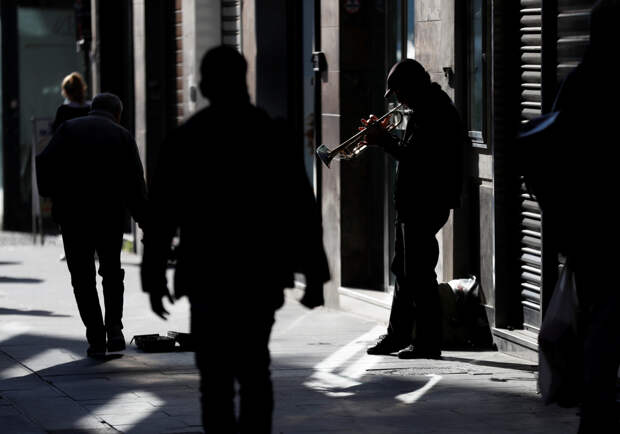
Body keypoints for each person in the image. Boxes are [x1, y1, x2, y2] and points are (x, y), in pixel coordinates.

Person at [141, 46, 329, 433]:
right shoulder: (272, 134)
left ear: (207, 84)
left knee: (215, 382)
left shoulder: (186, 139)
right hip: (258, 274)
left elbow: (161, 217)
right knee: (255, 370)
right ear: (243, 79)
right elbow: (301, 209)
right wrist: (313, 274)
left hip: (207, 276)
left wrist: (154, 276)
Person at [527, 1, 619, 432]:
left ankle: (596, 410)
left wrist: (564, 222)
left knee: (600, 321)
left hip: (589, 231)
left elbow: (548, 152)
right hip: (604, 227)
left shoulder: (579, 82)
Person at [363, 59, 466, 359]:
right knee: (405, 272)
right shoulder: (424, 107)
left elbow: (419, 160)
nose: (397, 100)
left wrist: (384, 140)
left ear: (412, 86)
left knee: (419, 274)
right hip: (411, 203)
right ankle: (398, 335)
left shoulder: (435, 111)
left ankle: (428, 343)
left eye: (399, 92)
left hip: (424, 203)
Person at [36, 93, 147, 358]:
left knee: (82, 280)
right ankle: (115, 330)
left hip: (73, 217)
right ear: (117, 113)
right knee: (111, 273)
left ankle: (96, 337)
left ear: (92, 109)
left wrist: (54, 197)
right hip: (108, 216)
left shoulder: (67, 129)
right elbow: (135, 188)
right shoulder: (122, 135)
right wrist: (147, 224)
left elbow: (45, 164)